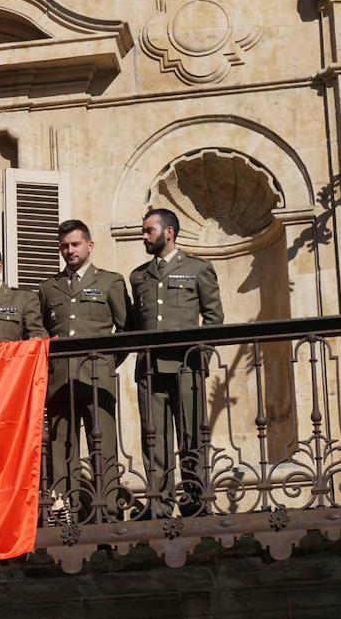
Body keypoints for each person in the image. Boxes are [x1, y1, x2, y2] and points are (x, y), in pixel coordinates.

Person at [129, 208, 223, 516]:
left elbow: (214, 318)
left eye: (149, 231)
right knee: (154, 437)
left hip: (186, 366)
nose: (144, 236)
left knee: (191, 434)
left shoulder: (198, 269)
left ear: (169, 232)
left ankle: (196, 500)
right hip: (150, 368)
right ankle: (159, 501)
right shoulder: (139, 275)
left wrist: (201, 359)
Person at [37, 221, 128, 519]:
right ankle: (67, 512)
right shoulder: (48, 288)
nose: (69, 250)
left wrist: (107, 361)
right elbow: (42, 332)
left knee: (102, 445)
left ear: (89, 245)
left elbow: (126, 329)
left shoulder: (110, 282)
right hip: (60, 380)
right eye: (64, 246)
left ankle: (109, 512)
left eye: (75, 244)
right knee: (63, 448)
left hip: (97, 376)